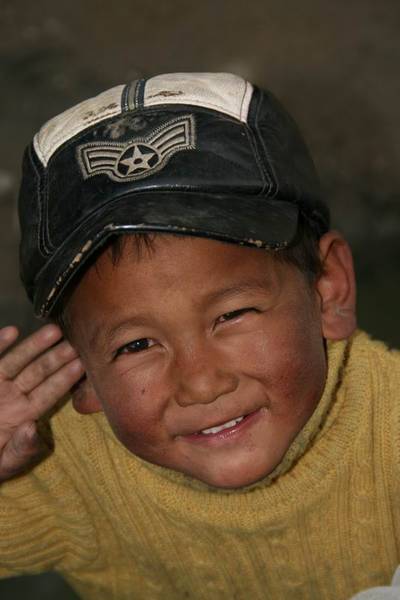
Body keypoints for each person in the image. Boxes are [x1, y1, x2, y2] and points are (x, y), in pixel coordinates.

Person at [0, 72, 399, 600]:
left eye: (232, 315)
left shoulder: (389, 430)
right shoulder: (62, 469)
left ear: (328, 290)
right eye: (136, 345)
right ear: (81, 373)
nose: (201, 383)